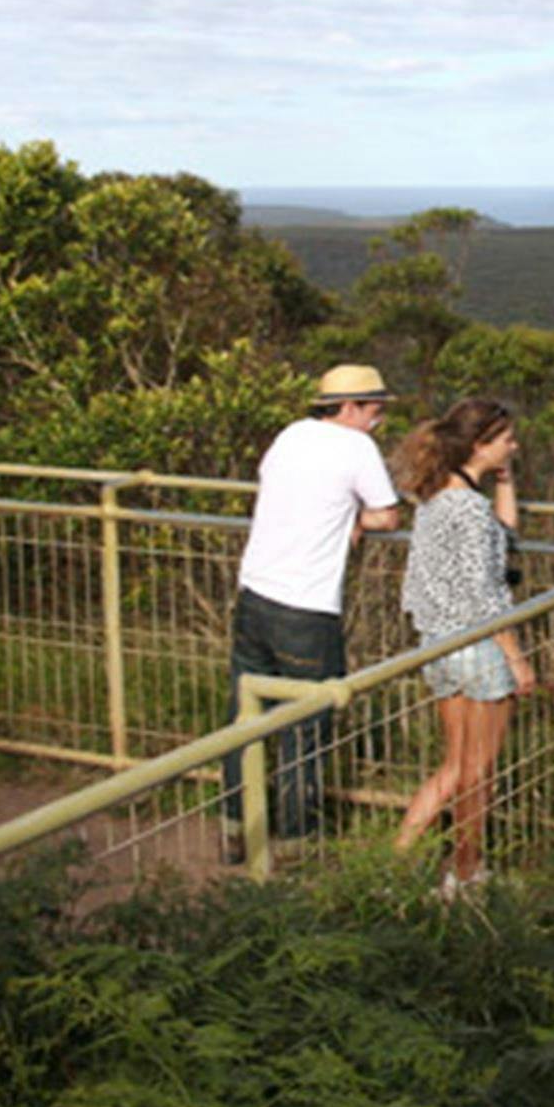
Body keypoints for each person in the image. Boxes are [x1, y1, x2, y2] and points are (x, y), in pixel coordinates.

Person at [222, 364, 403, 856]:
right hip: (307, 607)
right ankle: (297, 842)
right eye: (374, 409)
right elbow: (388, 513)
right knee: (307, 723)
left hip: (255, 594)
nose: (378, 421)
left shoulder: (290, 435)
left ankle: (238, 827)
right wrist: (358, 518)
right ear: (348, 408)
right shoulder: (356, 448)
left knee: (246, 715)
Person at [390, 397, 534, 894]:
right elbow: (486, 594)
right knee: (478, 773)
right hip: (477, 651)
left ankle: (394, 862)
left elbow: (505, 536)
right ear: (480, 444)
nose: (513, 447)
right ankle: (465, 872)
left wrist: (505, 481)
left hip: (439, 644)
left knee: (456, 766)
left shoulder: (437, 496)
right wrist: (516, 659)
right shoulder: (468, 510)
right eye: (506, 441)